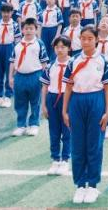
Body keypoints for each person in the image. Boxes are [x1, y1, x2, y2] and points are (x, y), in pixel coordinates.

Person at [62, 26, 108, 204]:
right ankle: (80, 185)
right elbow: (68, 87)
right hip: (77, 102)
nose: (86, 42)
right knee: (77, 145)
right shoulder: (73, 61)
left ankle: (92, 185)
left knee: (94, 144)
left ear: (96, 40)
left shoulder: (104, 62)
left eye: (89, 39)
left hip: (96, 101)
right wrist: (65, 110)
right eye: (83, 38)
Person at [10, 17, 49, 137]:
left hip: (35, 75)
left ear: (36, 30)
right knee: (20, 101)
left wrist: (44, 79)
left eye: (31, 28)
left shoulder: (39, 44)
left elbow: (44, 62)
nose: (28, 31)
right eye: (26, 28)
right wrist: (11, 77)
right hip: (20, 76)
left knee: (35, 101)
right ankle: (21, 125)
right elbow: (12, 61)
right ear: (22, 30)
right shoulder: (17, 45)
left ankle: (34, 124)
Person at [41, 35, 72, 175]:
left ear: (69, 48)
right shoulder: (50, 66)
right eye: (57, 47)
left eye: (63, 47)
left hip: (68, 97)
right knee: (54, 130)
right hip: (53, 98)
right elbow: (45, 87)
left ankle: (65, 159)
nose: (60, 50)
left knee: (67, 130)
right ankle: (55, 159)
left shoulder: (73, 65)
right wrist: (44, 105)